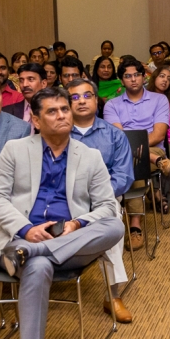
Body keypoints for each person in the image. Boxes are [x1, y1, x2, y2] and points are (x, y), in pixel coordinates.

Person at [0, 88, 126, 339]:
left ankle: (36, 252)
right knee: (37, 267)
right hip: (21, 239)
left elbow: (106, 206)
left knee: (115, 226)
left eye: (65, 108)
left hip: (67, 242)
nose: (62, 115)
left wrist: (78, 223)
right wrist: (25, 230)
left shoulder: (89, 156)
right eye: (53, 111)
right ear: (36, 120)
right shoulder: (15, 149)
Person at [67, 78, 136, 324]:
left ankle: (112, 295)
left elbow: (123, 176)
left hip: (103, 199)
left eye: (87, 95)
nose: (82, 101)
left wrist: (97, 195)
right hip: (63, 200)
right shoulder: (57, 133)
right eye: (74, 97)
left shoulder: (114, 135)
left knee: (111, 223)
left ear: (97, 100)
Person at [103, 59, 170, 250]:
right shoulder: (111, 105)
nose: (133, 79)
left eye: (137, 75)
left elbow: (159, 134)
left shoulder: (159, 100)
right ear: (121, 80)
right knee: (129, 158)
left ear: (143, 77)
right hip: (122, 152)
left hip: (153, 148)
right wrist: (131, 146)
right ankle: (156, 164)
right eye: (127, 76)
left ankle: (134, 227)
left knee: (132, 162)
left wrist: (135, 146)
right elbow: (119, 138)